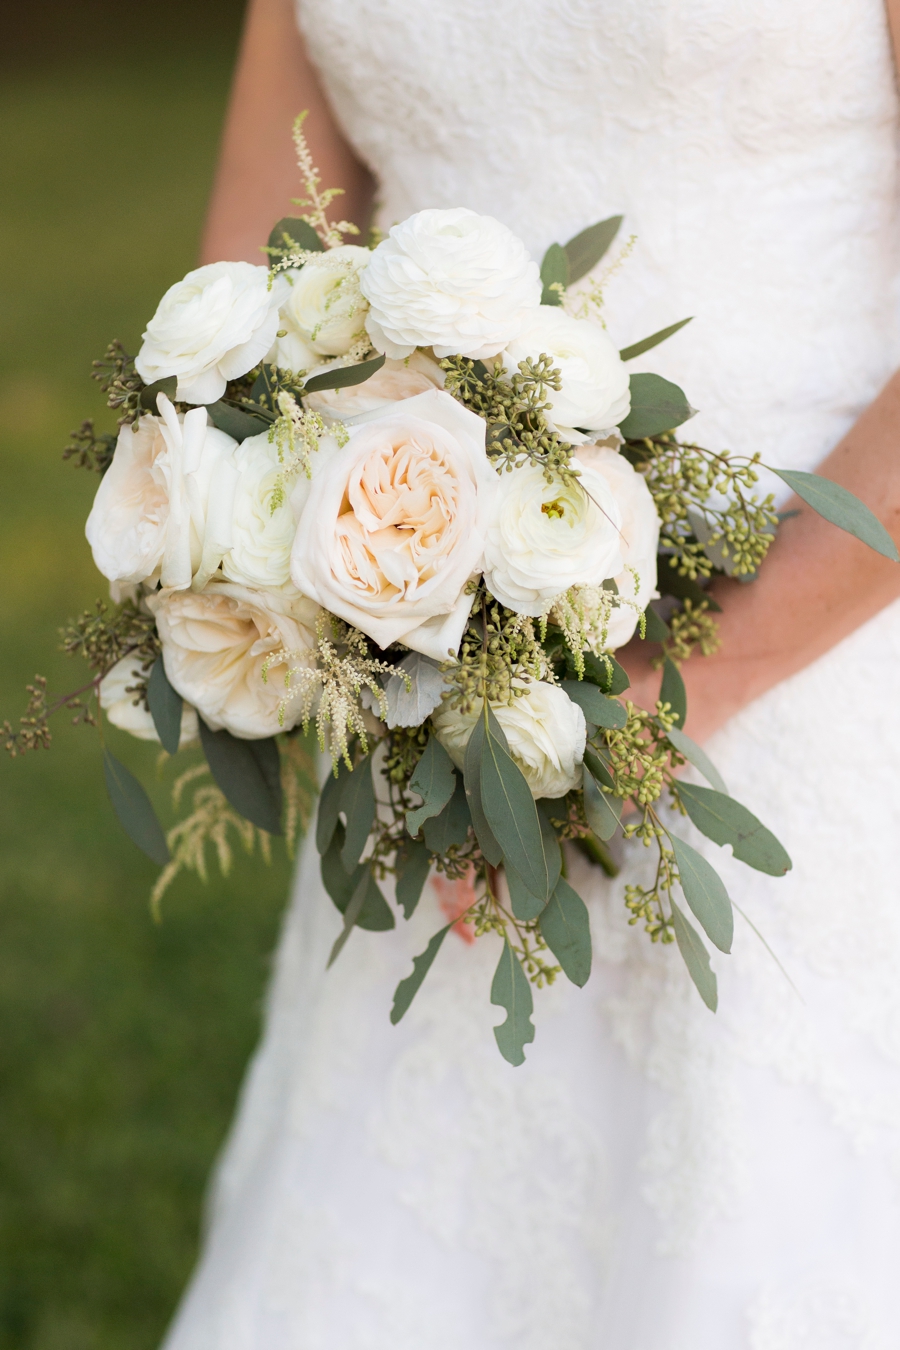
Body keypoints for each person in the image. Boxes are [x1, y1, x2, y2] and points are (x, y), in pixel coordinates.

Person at [163, 1, 900, 1345]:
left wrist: (667, 691)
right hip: (437, 653)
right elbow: (252, 287)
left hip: (827, 633)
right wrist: (352, 595)